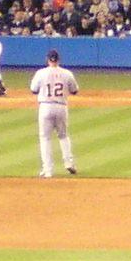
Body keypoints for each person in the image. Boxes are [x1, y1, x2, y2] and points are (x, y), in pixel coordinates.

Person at [28, 49, 79, 178]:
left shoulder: (41, 73)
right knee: (63, 136)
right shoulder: (67, 73)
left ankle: (48, 170)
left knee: (45, 138)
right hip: (61, 107)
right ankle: (69, 163)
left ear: (47, 60)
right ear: (58, 60)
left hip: (45, 106)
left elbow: (33, 90)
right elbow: (74, 90)